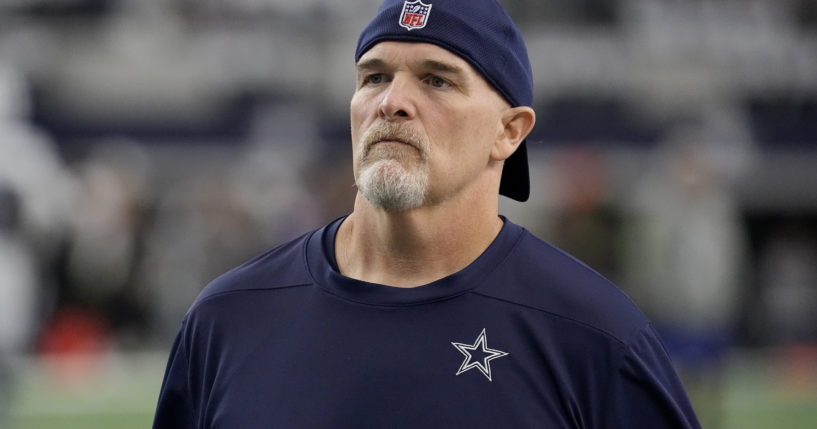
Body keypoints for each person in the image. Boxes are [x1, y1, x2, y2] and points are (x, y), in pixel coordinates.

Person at [153, 1, 700, 427]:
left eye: (436, 79)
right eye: (373, 77)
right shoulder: (227, 318)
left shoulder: (594, 335)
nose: (391, 101)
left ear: (509, 132)